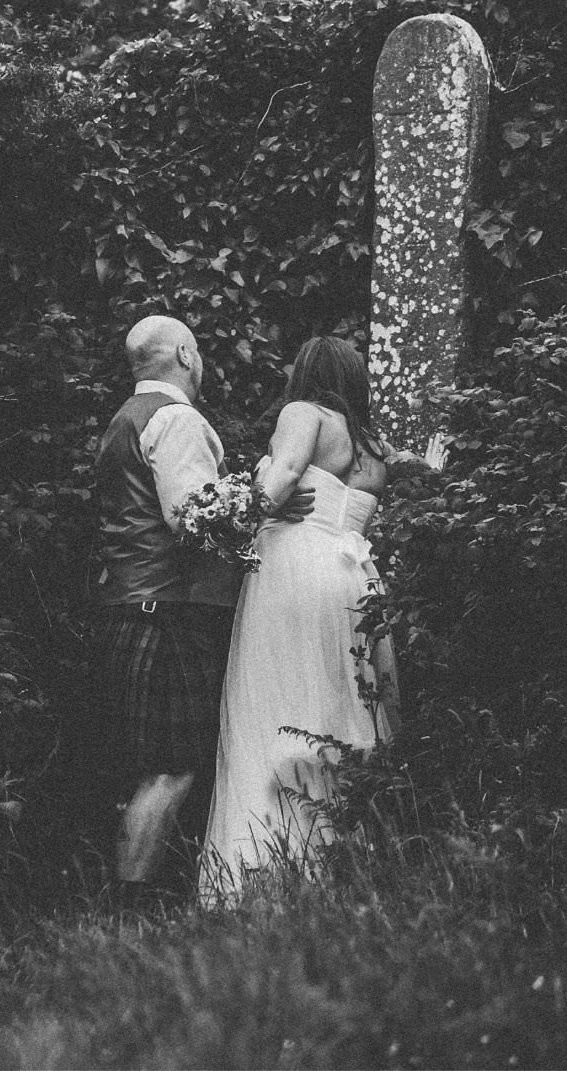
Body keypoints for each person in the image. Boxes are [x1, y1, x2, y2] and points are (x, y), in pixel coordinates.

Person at [198, 335, 442, 898]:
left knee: (278, 701)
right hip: (355, 579)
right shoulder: (375, 450)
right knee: (348, 704)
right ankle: (353, 863)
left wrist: (243, 508)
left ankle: (264, 870)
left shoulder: (303, 413)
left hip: (295, 568)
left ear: (306, 374)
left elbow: (279, 479)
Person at [92, 314, 312, 901]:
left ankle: (136, 902)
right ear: (186, 355)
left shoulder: (121, 422)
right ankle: (131, 912)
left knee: (154, 767)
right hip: (170, 607)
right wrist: (268, 503)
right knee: (173, 765)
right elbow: (194, 515)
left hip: (132, 601)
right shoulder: (177, 418)